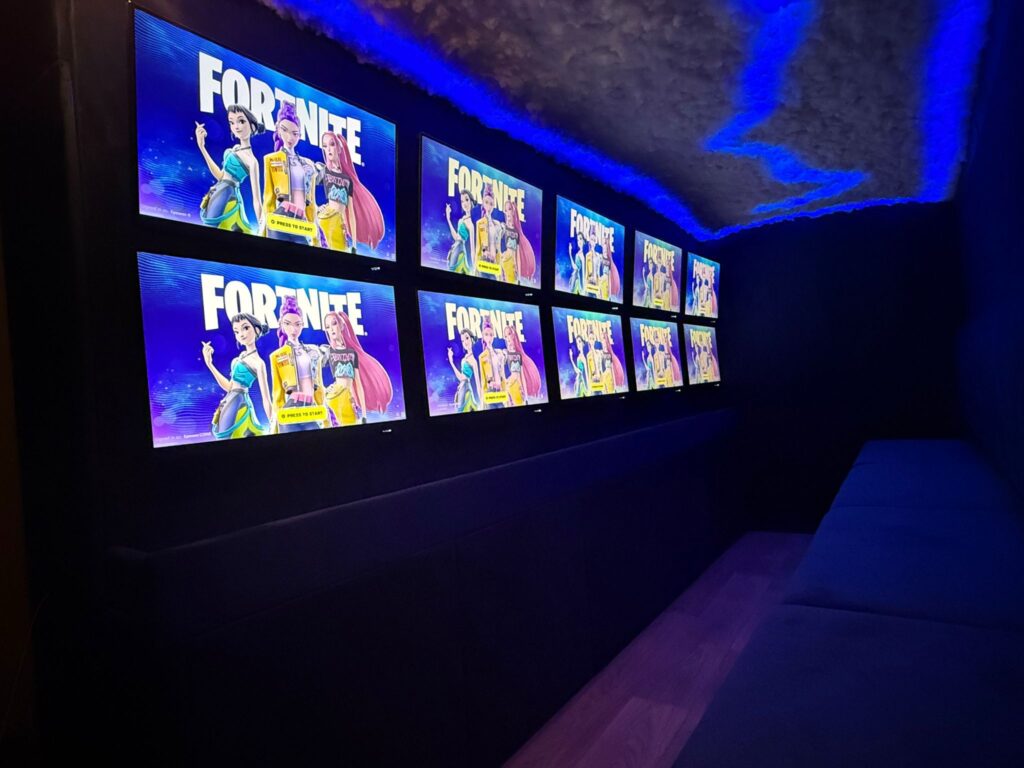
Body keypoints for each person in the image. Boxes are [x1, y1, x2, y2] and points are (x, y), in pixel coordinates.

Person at [195, 105, 264, 233]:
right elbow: (221, 176)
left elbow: (256, 199)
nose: (236, 126)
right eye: (232, 122)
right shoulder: (235, 149)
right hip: (219, 189)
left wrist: (262, 226)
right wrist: (202, 147)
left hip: (227, 192)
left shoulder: (252, 161)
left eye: (241, 121)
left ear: (252, 127)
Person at [202, 313, 272, 438]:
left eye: (245, 328)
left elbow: (266, 398)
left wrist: (273, 422)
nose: (241, 334)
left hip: (239, 400)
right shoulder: (238, 358)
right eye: (236, 331)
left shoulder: (258, 363)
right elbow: (230, 387)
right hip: (230, 398)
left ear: (256, 330)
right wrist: (209, 364)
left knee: (225, 435)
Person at [321, 310, 393, 426]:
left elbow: (358, 385)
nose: (331, 329)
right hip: (333, 399)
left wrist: (364, 415)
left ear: (341, 326)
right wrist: (325, 389)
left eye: (334, 323)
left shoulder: (351, 353)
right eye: (327, 327)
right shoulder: (329, 352)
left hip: (347, 400)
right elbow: (316, 373)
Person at [262, 101, 318, 245]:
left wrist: (316, 239)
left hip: (301, 223)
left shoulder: (308, 164)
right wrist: (263, 234)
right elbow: (268, 199)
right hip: (280, 219)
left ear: (300, 135)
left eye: (295, 133)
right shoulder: (271, 159)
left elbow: (311, 203)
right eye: (285, 130)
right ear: (278, 130)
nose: (290, 138)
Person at [269, 296, 327, 431]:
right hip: (290, 410)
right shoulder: (277, 356)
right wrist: (275, 425)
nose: (293, 329)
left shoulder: (313, 352)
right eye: (288, 324)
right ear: (281, 324)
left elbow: (319, 388)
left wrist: (326, 418)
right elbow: (277, 394)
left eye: (297, 324)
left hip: (311, 411)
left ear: (302, 324)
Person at [448, 329, 480, 412]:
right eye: (462, 341)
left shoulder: (473, 360)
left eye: (467, 338)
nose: (465, 342)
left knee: (460, 409)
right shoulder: (464, 358)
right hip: (463, 386)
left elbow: (477, 383)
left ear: (472, 339)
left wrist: (451, 362)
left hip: (465, 385)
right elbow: (461, 377)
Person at [445, 190, 475, 275]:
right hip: (455, 248)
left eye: (467, 200)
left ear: (471, 201)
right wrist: (448, 218)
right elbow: (456, 237)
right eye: (462, 201)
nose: (464, 203)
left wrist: (475, 266)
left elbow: (472, 250)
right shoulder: (461, 220)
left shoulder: (471, 224)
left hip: (460, 248)